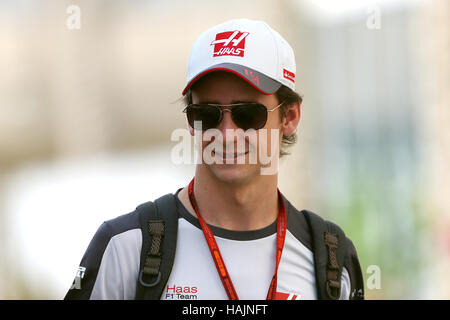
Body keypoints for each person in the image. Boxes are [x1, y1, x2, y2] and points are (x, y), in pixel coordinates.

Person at [64, 18, 364, 300]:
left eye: (248, 113)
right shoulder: (125, 248)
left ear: (290, 116)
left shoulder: (330, 259)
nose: (227, 133)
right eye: (206, 114)